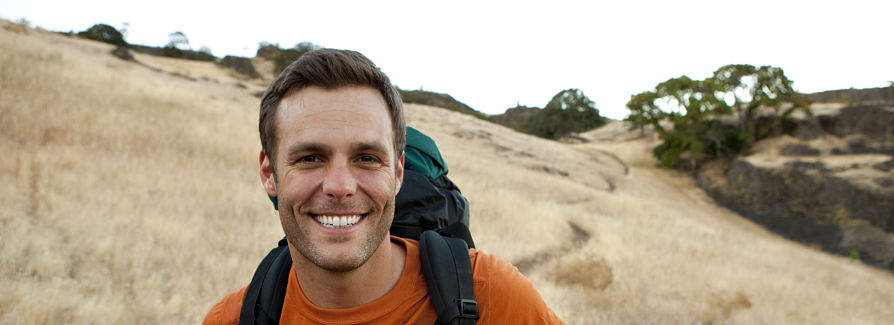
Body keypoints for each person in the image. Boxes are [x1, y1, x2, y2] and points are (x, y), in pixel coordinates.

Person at [203, 49, 564, 324]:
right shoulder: (234, 319)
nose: (340, 187)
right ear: (269, 173)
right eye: (310, 158)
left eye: (366, 158)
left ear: (398, 173)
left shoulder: (495, 299)